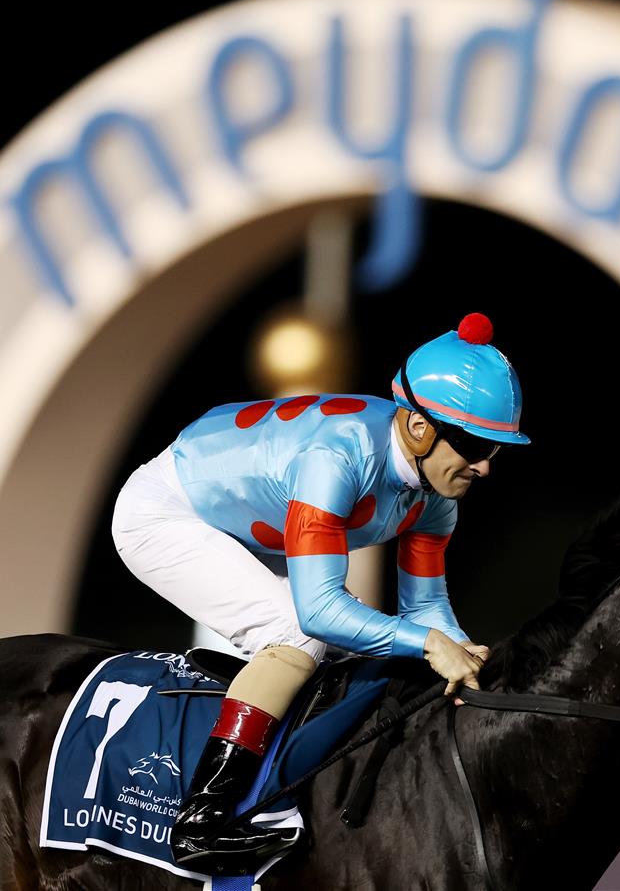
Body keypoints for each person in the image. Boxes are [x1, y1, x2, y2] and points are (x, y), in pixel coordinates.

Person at [110, 312, 529, 868]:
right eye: (473, 445)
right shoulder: (336, 459)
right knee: (297, 635)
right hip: (165, 513)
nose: (484, 466)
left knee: (350, 652)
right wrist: (431, 645)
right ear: (419, 428)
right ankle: (200, 822)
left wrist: (462, 653)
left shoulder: (435, 499)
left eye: (493, 449)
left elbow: (425, 606)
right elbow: (319, 611)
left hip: (251, 525)